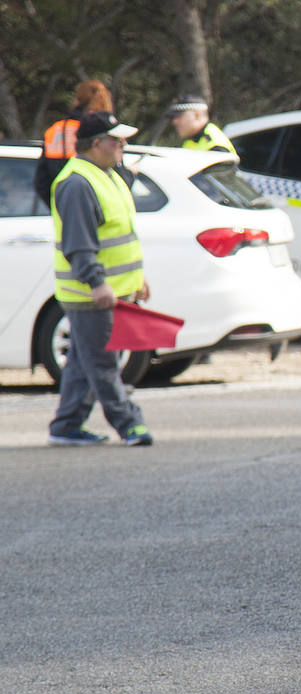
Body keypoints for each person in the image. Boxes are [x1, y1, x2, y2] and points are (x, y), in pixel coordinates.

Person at [47, 111, 153, 448]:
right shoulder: (77, 183)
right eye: (117, 140)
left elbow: (119, 236)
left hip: (103, 290)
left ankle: (66, 426)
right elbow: (78, 245)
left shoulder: (106, 176)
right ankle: (129, 424)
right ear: (97, 144)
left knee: (83, 361)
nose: (124, 145)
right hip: (88, 294)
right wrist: (97, 284)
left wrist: (138, 278)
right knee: (103, 363)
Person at [33, 79, 131, 208]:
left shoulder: (55, 130)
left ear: (77, 100)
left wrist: (59, 208)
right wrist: (131, 174)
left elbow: (41, 182)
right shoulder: (101, 132)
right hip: (100, 209)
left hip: (63, 206)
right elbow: (120, 181)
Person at [166, 94, 237, 154]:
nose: (174, 122)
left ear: (197, 116)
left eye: (179, 117)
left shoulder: (215, 146)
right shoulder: (192, 140)